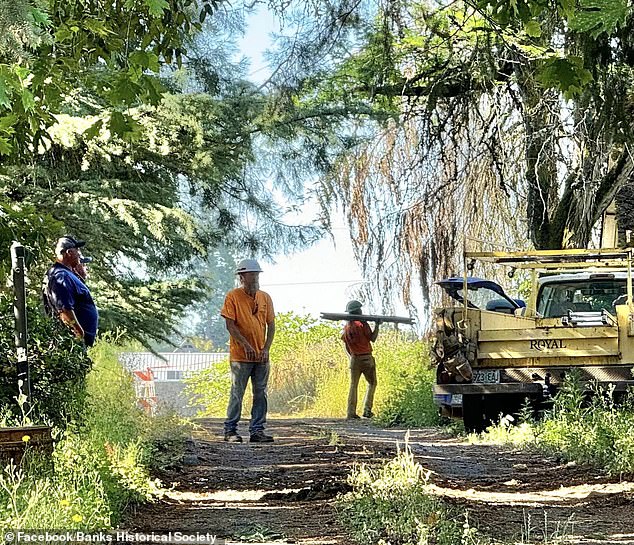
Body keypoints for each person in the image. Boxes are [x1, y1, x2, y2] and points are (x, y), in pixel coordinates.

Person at [221, 258, 276, 443]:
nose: (255, 278)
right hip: (240, 356)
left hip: (261, 356)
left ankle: (257, 431)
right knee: (237, 392)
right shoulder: (233, 296)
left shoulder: (265, 297)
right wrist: (246, 345)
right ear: (242, 277)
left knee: (261, 392)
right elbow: (230, 325)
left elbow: (271, 325)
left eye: (256, 275)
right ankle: (230, 431)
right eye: (251, 275)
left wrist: (266, 349)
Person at [43, 236, 99, 347]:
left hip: (75, 342)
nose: (79, 254)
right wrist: (79, 333)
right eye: (77, 250)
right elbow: (64, 309)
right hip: (71, 343)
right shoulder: (61, 276)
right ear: (69, 252)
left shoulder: (66, 274)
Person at [342, 300, 380, 420]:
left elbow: (346, 345)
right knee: (372, 383)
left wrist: (352, 356)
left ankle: (350, 412)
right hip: (366, 358)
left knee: (353, 385)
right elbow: (372, 338)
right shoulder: (362, 324)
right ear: (359, 311)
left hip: (354, 359)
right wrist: (377, 325)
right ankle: (367, 410)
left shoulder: (347, 328)